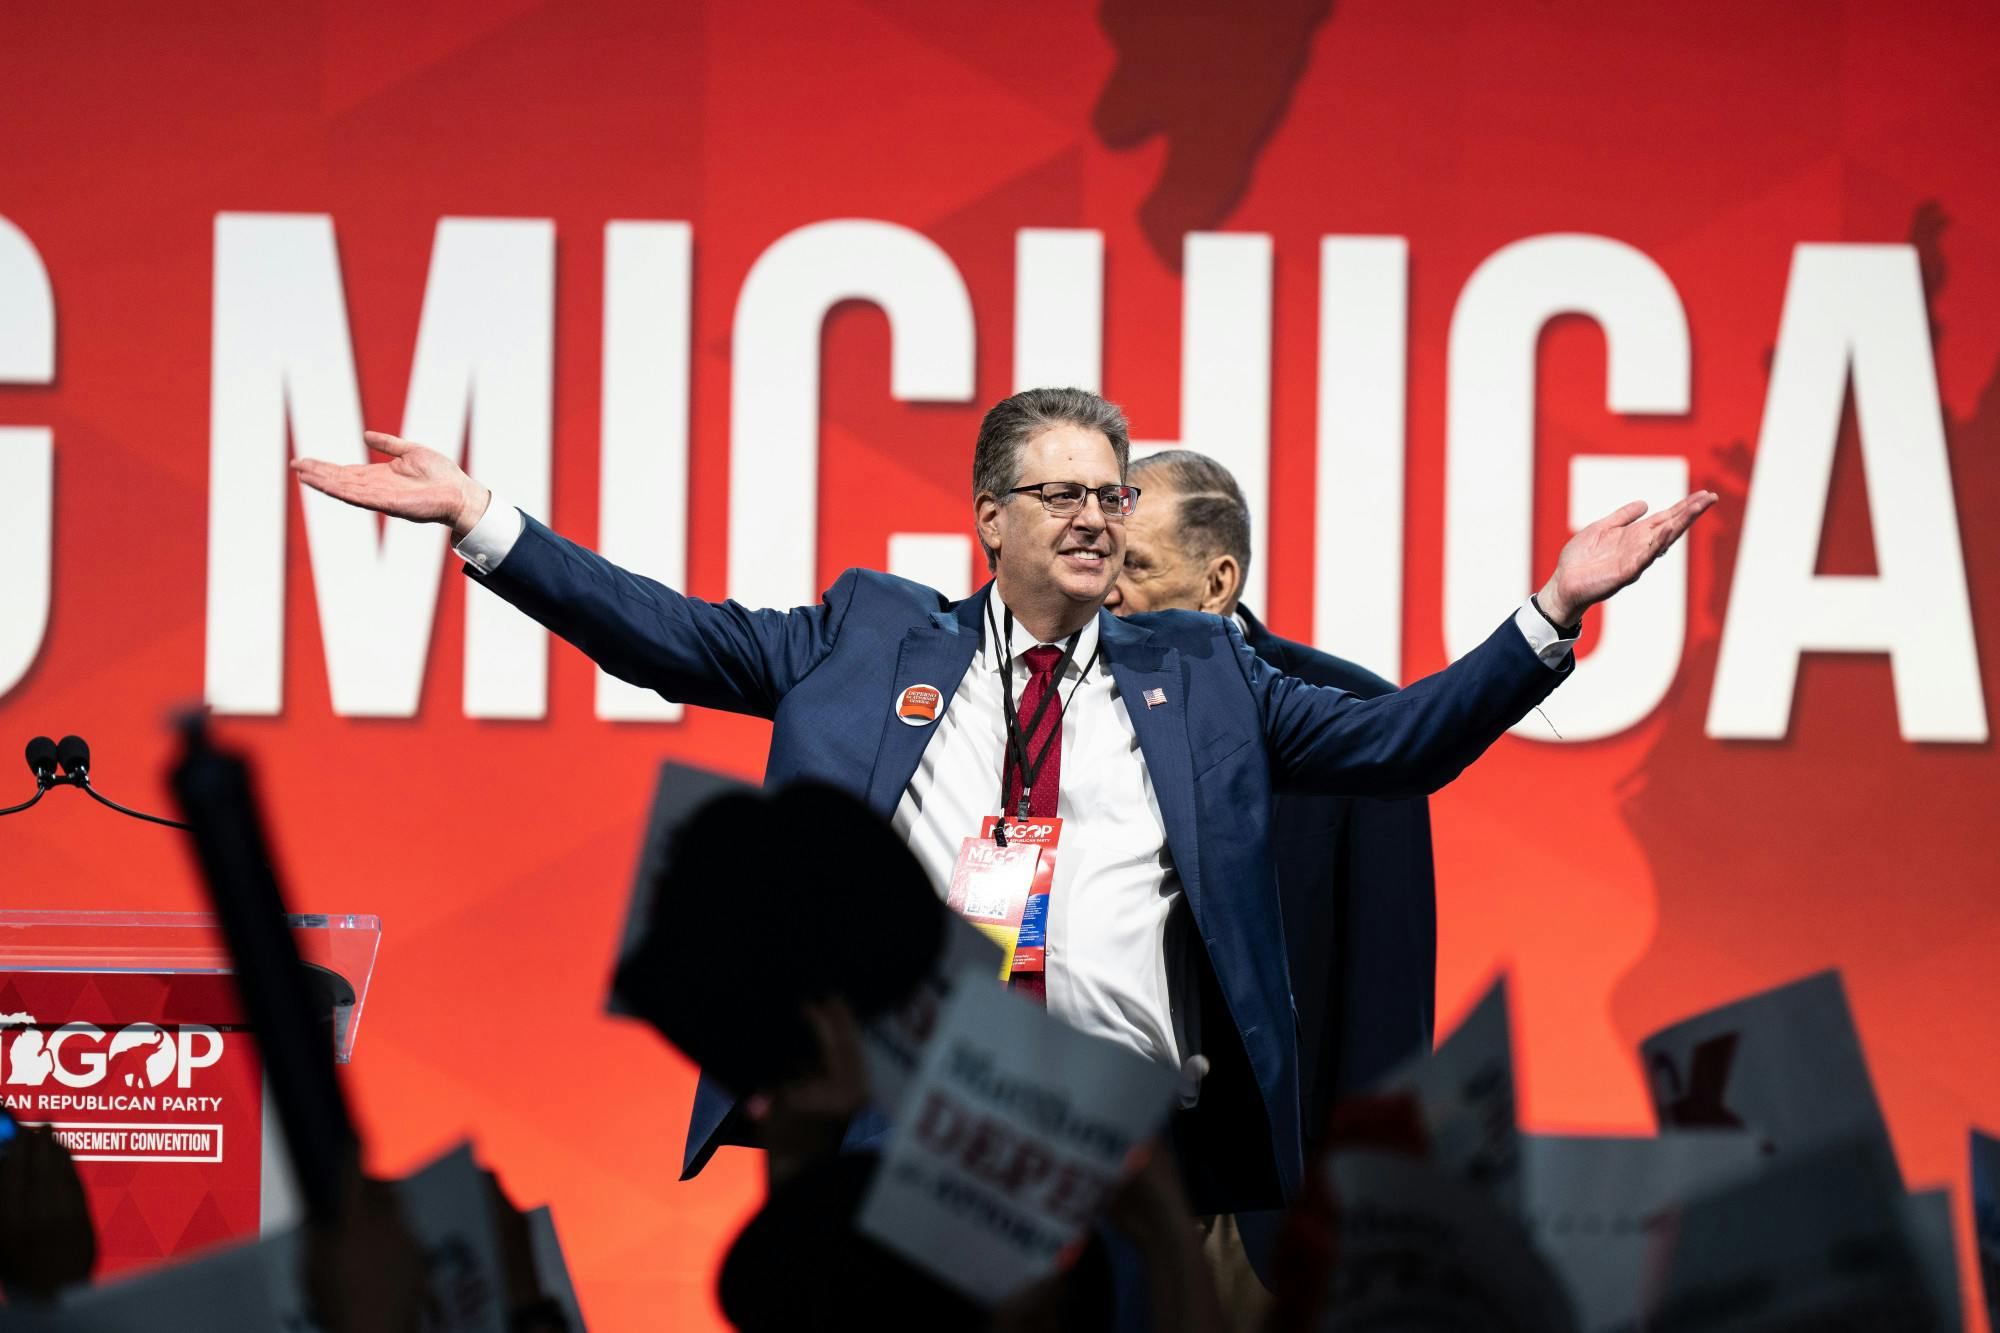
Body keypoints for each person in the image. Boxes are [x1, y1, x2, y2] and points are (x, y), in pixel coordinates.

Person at [293, 386, 1714, 1214]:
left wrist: (1551, 612)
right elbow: (662, 632)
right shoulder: (868, 637)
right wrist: (485, 519)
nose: (1098, 518)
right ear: (991, 518)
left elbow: (1401, 741)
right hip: (891, 1139)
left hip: (1121, 1149)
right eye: (1063, 495)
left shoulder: (1204, 672)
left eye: (1112, 495)